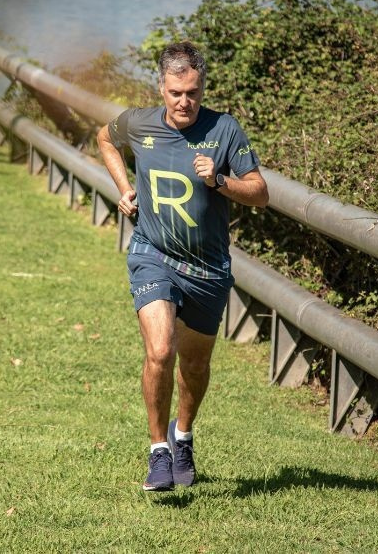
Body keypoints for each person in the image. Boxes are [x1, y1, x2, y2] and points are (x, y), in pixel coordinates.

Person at [96, 41, 269, 491]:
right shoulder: (138, 123)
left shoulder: (224, 129)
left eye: (192, 91)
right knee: (160, 350)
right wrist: (124, 187)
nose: (184, 101)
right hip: (152, 253)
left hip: (208, 269)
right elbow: (103, 138)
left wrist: (220, 179)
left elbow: (260, 192)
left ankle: (183, 435)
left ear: (202, 87)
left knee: (194, 364)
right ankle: (157, 452)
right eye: (175, 92)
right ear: (161, 87)